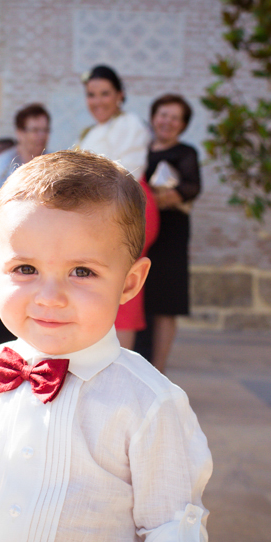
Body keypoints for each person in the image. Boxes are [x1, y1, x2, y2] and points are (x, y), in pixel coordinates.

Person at [0, 150, 212, 542]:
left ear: (129, 283)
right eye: (26, 268)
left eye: (82, 272)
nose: (49, 296)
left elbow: (171, 534)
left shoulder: (149, 405)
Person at [77, 64, 157, 350]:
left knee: (122, 286)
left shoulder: (131, 124)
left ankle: (121, 370)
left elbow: (123, 173)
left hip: (127, 207)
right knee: (97, 285)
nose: (97, 101)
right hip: (101, 211)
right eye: (91, 95)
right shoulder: (91, 131)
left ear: (120, 95)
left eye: (104, 94)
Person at [0, 103, 51, 346]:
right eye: (34, 130)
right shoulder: (1, 163)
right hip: (10, 249)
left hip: (48, 250)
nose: (40, 135)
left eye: (44, 130)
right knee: (8, 308)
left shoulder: (54, 164)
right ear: (20, 132)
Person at [141, 95, 201, 373]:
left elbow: (190, 188)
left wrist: (151, 201)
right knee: (138, 297)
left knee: (166, 303)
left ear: (183, 125)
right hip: (139, 232)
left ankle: (159, 371)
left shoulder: (186, 153)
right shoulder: (140, 150)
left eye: (175, 118)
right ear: (154, 117)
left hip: (170, 235)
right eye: (163, 114)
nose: (168, 122)